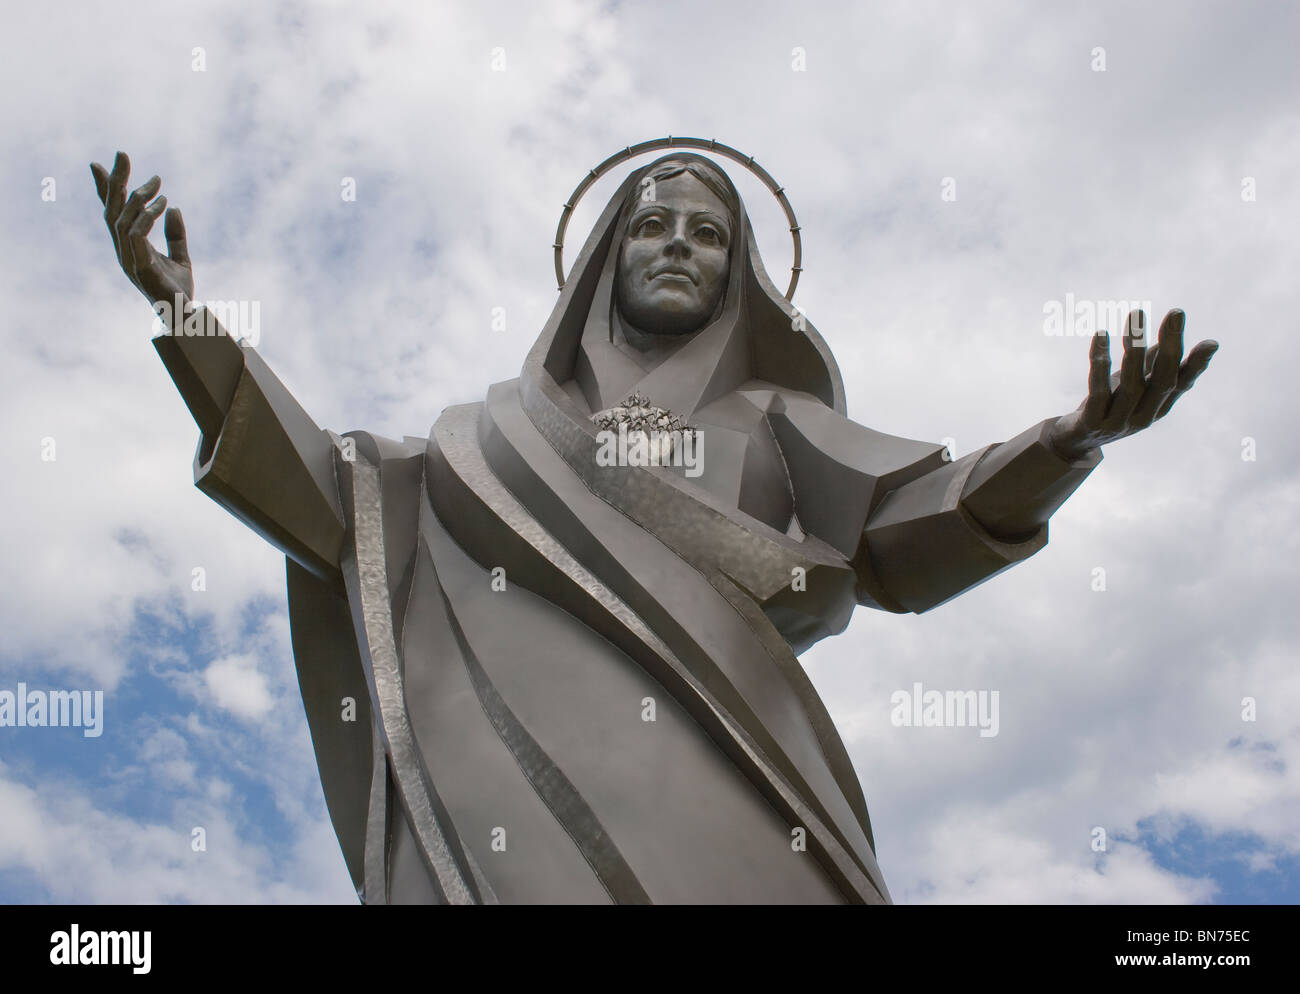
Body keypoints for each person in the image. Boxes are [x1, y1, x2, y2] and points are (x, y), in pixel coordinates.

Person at [91, 149, 1216, 904]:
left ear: (738, 277)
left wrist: (1067, 442)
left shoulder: (774, 421)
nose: (678, 244)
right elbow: (331, 505)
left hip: (739, 787)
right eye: (653, 226)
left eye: (708, 234)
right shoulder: (479, 448)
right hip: (512, 808)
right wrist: (188, 316)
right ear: (605, 260)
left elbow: (910, 525)